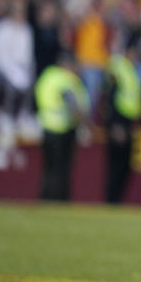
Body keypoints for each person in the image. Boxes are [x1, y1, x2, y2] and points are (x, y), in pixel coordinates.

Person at [34, 53, 89, 200]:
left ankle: (46, 198)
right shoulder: (65, 79)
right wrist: (82, 119)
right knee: (61, 169)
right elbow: (71, 102)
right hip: (63, 128)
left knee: (49, 168)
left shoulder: (47, 76)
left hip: (47, 126)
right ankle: (59, 199)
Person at [103, 46, 141, 203]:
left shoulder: (131, 71)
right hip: (119, 121)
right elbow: (110, 98)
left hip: (128, 122)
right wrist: (114, 125)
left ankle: (117, 201)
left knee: (125, 165)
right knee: (116, 165)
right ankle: (111, 200)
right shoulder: (119, 69)